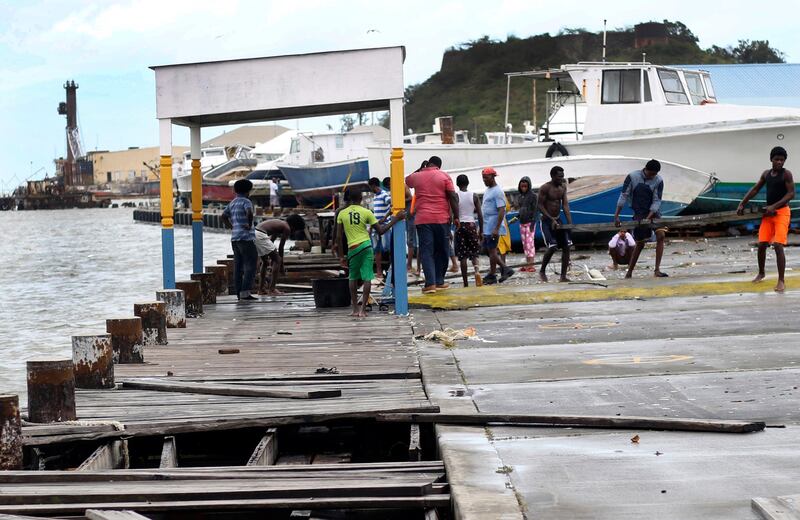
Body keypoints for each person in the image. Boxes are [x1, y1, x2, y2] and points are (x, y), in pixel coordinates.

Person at [335, 189, 404, 317]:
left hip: (352, 249)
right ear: (361, 198)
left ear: (348, 198)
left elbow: (339, 237)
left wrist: (341, 256)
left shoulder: (342, 213)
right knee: (367, 277)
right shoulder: (367, 212)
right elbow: (381, 231)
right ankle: (363, 310)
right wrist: (395, 219)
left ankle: (355, 309)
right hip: (366, 247)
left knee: (353, 277)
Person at [737, 146, 795, 293]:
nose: (779, 162)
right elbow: (755, 189)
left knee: (778, 245)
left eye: (782, 160)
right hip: (769, 214)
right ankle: (761, 273)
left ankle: (781, 281)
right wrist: (742, 203)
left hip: (782, 212)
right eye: (777, 159)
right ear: (771, 159)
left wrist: (774, 206)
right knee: (762, 244)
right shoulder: (766, 174)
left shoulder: (786, 174)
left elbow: (791, 194)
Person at [405, 157, 459, 293]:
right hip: (442, 219)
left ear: (428, 164)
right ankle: (439, 281)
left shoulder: (417, 176)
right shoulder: (444, 176)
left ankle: (431, 284)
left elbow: (407, 180)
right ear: (439, 166)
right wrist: (457, 216)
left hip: (423, 220)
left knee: (427, 252)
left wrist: (420, 168)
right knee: (443, 250)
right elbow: (452, 196)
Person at [614, 159, 667, 279]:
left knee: (661, 236)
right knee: (640, 244)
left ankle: (657, 270)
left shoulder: (659, 180)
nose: (652, 176)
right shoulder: (632, 177)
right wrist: (616, 215)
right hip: (639, 212)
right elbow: (624, 195)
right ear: (645, 169)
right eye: (650, 174)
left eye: (654, 174)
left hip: (654, 212)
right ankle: (629, 272)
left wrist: (649, 217)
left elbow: (657, 200)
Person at [222, 179, 258, 300]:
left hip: (235, 238)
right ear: (248, 191)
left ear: (235, 190)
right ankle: (245, 292)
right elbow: (249, 212)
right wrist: (248, 224)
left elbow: (223, 216)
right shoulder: (246, 201)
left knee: (238, 265)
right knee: (251, 265)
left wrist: (231, 227)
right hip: (246, 238)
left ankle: (238, 292)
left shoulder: (232, 203)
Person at [255, 215, 305, 295]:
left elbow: (271, 240)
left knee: (265, 262)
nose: (293, 232)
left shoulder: (279, 224)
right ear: (294, 226)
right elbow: (281, 247)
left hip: (255, 233)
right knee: (277, 260)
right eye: (295, 230)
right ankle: (272, 289)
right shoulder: (287, 228)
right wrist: (281, 265)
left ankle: (261, 289)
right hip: (261, 235)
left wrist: (271, 256)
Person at [538, 166, 573, 282]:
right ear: (552, 176)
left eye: (562, 176)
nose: (561, 179)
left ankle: (563, 276)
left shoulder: (563, 187)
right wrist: (551, 218)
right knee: (552, 246)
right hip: (546, 221)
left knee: (566, 246)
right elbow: (540, 205)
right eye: (559, 177)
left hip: (558, 220)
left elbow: (565, 205)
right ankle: (542, 270)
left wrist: (569, 222)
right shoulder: (545, 188)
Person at [481, 167, 514, 284]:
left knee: (492, 250)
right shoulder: (488, 190)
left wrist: (496, 228)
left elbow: (501, 210)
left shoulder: (498, 191)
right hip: (487, 226)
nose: (484, 180)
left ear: (493, 177)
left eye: (486, 178)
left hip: (493, 226)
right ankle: (496, 272)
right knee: (488, 250)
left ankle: (503, 269)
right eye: (483, 178)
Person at [454, 174, 483, 287]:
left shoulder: (456, 196)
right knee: (474, 253)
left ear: (457, 184)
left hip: (460, 226)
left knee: (463, 256)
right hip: (471, 225)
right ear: (468, 183)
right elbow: (480, 214)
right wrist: (481, 230)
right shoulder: (474, 196)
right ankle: (477, 272)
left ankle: (465, 282)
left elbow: (454, 213)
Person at [368, 177, 392, 280]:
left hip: (384, 226)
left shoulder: (384, 195)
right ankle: (379, 272)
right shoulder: (375, 196)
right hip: (375, 227)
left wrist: (385, 218)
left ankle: (390, 272)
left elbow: (392, 204)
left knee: (387, 249)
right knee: (376, 250)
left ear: (374, 186)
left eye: (370, 187)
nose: (370, 189)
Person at [517, 176, 539, 273]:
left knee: (530, 244)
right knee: (525, 245)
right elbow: (522, 210)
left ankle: (531, 265)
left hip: (530, 223)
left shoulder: (533, 196)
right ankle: (527, 265)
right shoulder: (520, 197)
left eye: (525, 184)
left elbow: (535, 211)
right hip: (522, 223)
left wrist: (533, 224)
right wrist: (517, 217)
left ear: (529, 185)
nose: (523, 186)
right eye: (522, 184)